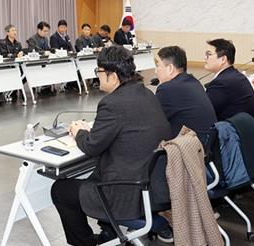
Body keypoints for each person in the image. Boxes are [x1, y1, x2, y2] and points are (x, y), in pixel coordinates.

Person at [50, 46, 171, 246]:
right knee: (95, 174)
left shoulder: (112, 103)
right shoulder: (147, 94)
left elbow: (92, 147)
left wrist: (79, 132)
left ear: (112, 76)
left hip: (128, 194)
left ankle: (85, 243)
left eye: (98, 71)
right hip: (155, 188)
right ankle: (109, 233)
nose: (96, 76)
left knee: (61, 190)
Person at [154, 46, 217, 145]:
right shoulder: (193, 81)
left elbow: (154, 122)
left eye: (158, 65)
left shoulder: (167, 89)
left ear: (170, 68)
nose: (155, 71)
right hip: (208, 143)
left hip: (191, 149)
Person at [203, 38, 254, 121]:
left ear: (223, 59)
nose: (205, 58)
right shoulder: (234, 75)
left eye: (209, 54)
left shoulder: (222, 82)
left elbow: (204, 111)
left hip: (235, 128)